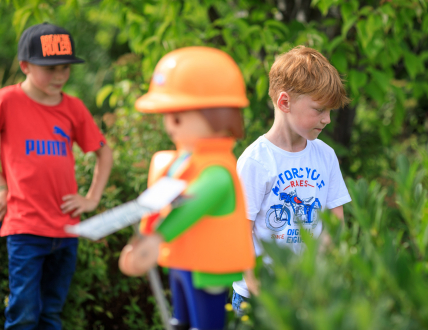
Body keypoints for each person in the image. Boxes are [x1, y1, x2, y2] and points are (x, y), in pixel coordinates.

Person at [117, 46, 255, 330]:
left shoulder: (217, 171)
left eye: (177, 117)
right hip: (181, 260)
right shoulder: (184, 160)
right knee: (180, 321)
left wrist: (156, 239)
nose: (169, 127)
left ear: (216, 115)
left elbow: (192, 205)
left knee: (204, 323)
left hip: (206, 270)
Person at [0, 22, 113, 329]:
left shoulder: (73, 108)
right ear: (24, 66)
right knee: (23, 313)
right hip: (25, 228)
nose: (60, 75)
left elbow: (104, 152)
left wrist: (91, 199)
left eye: (65, 68)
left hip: (66, 231)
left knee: (51, 313)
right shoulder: (7, 101)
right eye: (50, 68)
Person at [231, 45, 352, 314]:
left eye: (330, 111)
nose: (328, 119)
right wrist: (257, 286)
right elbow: (240, 233)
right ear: (285, 102)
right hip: (260, 297)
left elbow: (335, 222)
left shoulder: (326, 156)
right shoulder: (256, 161)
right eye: (319, 110)